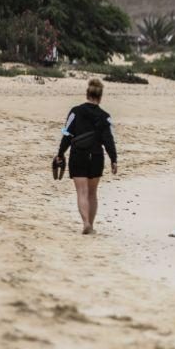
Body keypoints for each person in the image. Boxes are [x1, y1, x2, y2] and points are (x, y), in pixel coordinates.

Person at [54, 78, 118, 235]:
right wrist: (114, 159)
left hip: (78, 155)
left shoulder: (75, 111)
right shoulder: (105, 117)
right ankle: (91, 224)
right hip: (96, 156)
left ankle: (86, 223)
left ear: (87, 94)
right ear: (100, 97)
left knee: (82, 192)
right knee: (92, 193)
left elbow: (66, 132)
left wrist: (61, 153)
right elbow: (109, 139)